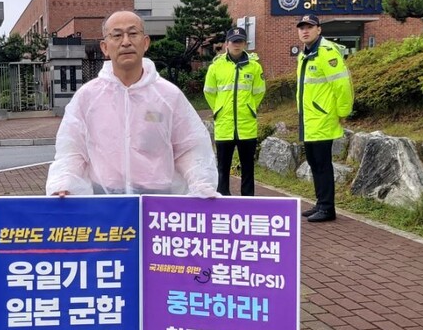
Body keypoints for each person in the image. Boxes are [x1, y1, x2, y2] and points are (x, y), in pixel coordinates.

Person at [46, 10, 217, 197]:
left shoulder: (168, 96)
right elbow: (72, 149)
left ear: (145, 43)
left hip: (156, 201)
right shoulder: (88, 97)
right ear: (104, 47)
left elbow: (189, 147)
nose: (125, 41)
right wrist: (63, 182)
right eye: (117, 35)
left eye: (133, 34)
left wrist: (201, 183)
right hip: (104, 199)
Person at [294, 14, 353, 222]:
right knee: (313, 162)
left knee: (322, 163)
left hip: (322, 118)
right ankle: (320, 203)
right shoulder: (306, 54)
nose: (305, 31)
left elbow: (342, 85)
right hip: (309, 119)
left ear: (319, 29)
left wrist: (343, 112)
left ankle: (327, 208)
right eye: (301, 28)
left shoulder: (327, 52)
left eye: (309, 27)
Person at [203, 26, 266, 196]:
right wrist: (219, 108)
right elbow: (209, 92)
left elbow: (259, 92)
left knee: (248, 167)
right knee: (222, 167)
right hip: (224, 123)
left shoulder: (254, 67)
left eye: (240, 42)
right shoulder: (216, 67)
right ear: (226, 44)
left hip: (247, 124)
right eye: (233, 41)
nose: (236, 45)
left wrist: (249, 108)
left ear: (245, 44)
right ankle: (223, 199)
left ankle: (248, 201)